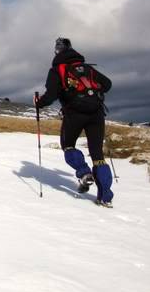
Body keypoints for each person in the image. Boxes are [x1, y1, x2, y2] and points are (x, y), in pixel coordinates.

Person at [34, 37, 115, 207]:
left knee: (68, 145)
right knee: (97, 155)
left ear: (57, 51)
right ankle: (105, 197)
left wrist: (38, 103)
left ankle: (84, 172)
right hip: (96, 113)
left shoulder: (57, 70)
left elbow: (50, 96)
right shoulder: (87, 68)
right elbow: (107, 84)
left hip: (74, 113)